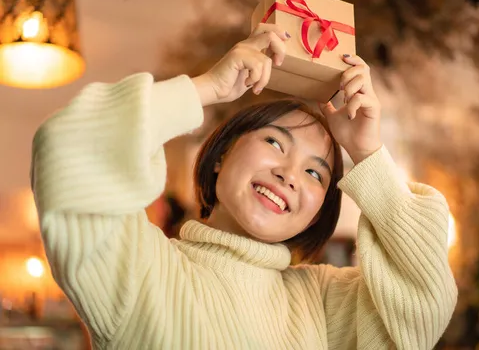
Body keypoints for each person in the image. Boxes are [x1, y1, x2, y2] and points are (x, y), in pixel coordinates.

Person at [31, 23, 457, 349]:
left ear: (319, 209)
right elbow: (70, 147)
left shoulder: (325, 303)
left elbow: (425, 305)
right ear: (220, 157)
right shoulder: (143, 271)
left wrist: (369, 154)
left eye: (315, 173)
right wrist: (207, 87)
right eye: (274, 142)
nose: (289, 174)